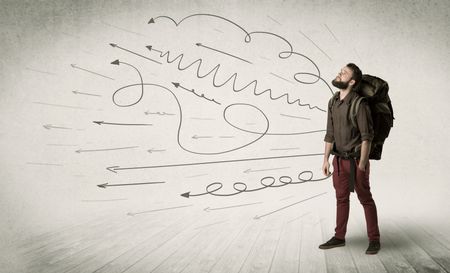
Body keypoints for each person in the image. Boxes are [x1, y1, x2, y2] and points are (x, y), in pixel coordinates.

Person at [319, 63, 381, 255]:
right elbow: (330, 134)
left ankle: (374, 239)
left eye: (344, 73)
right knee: (341, 199)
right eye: (340, 71)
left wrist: (362, 164)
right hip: (338, 161)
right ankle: (339, 237)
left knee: (365, 199)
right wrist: (325, 160)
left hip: (356, 162)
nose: (339, 73)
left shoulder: (359, 104)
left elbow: (366, 137)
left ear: (352, 81)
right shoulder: (333, 101)